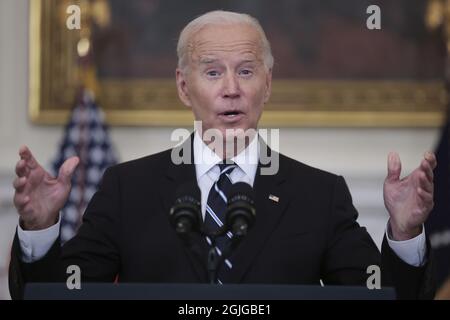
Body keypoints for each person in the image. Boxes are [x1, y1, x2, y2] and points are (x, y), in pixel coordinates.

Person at [10, 10, 437, 300]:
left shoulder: (318, 195)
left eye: (246, 71)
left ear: (267, 85)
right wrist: (40, 227)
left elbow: (377, 297)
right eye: (212, 72)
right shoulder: (128, 188)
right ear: (183, 86)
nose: (231, 88)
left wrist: (403, 234)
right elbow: (61, 296)